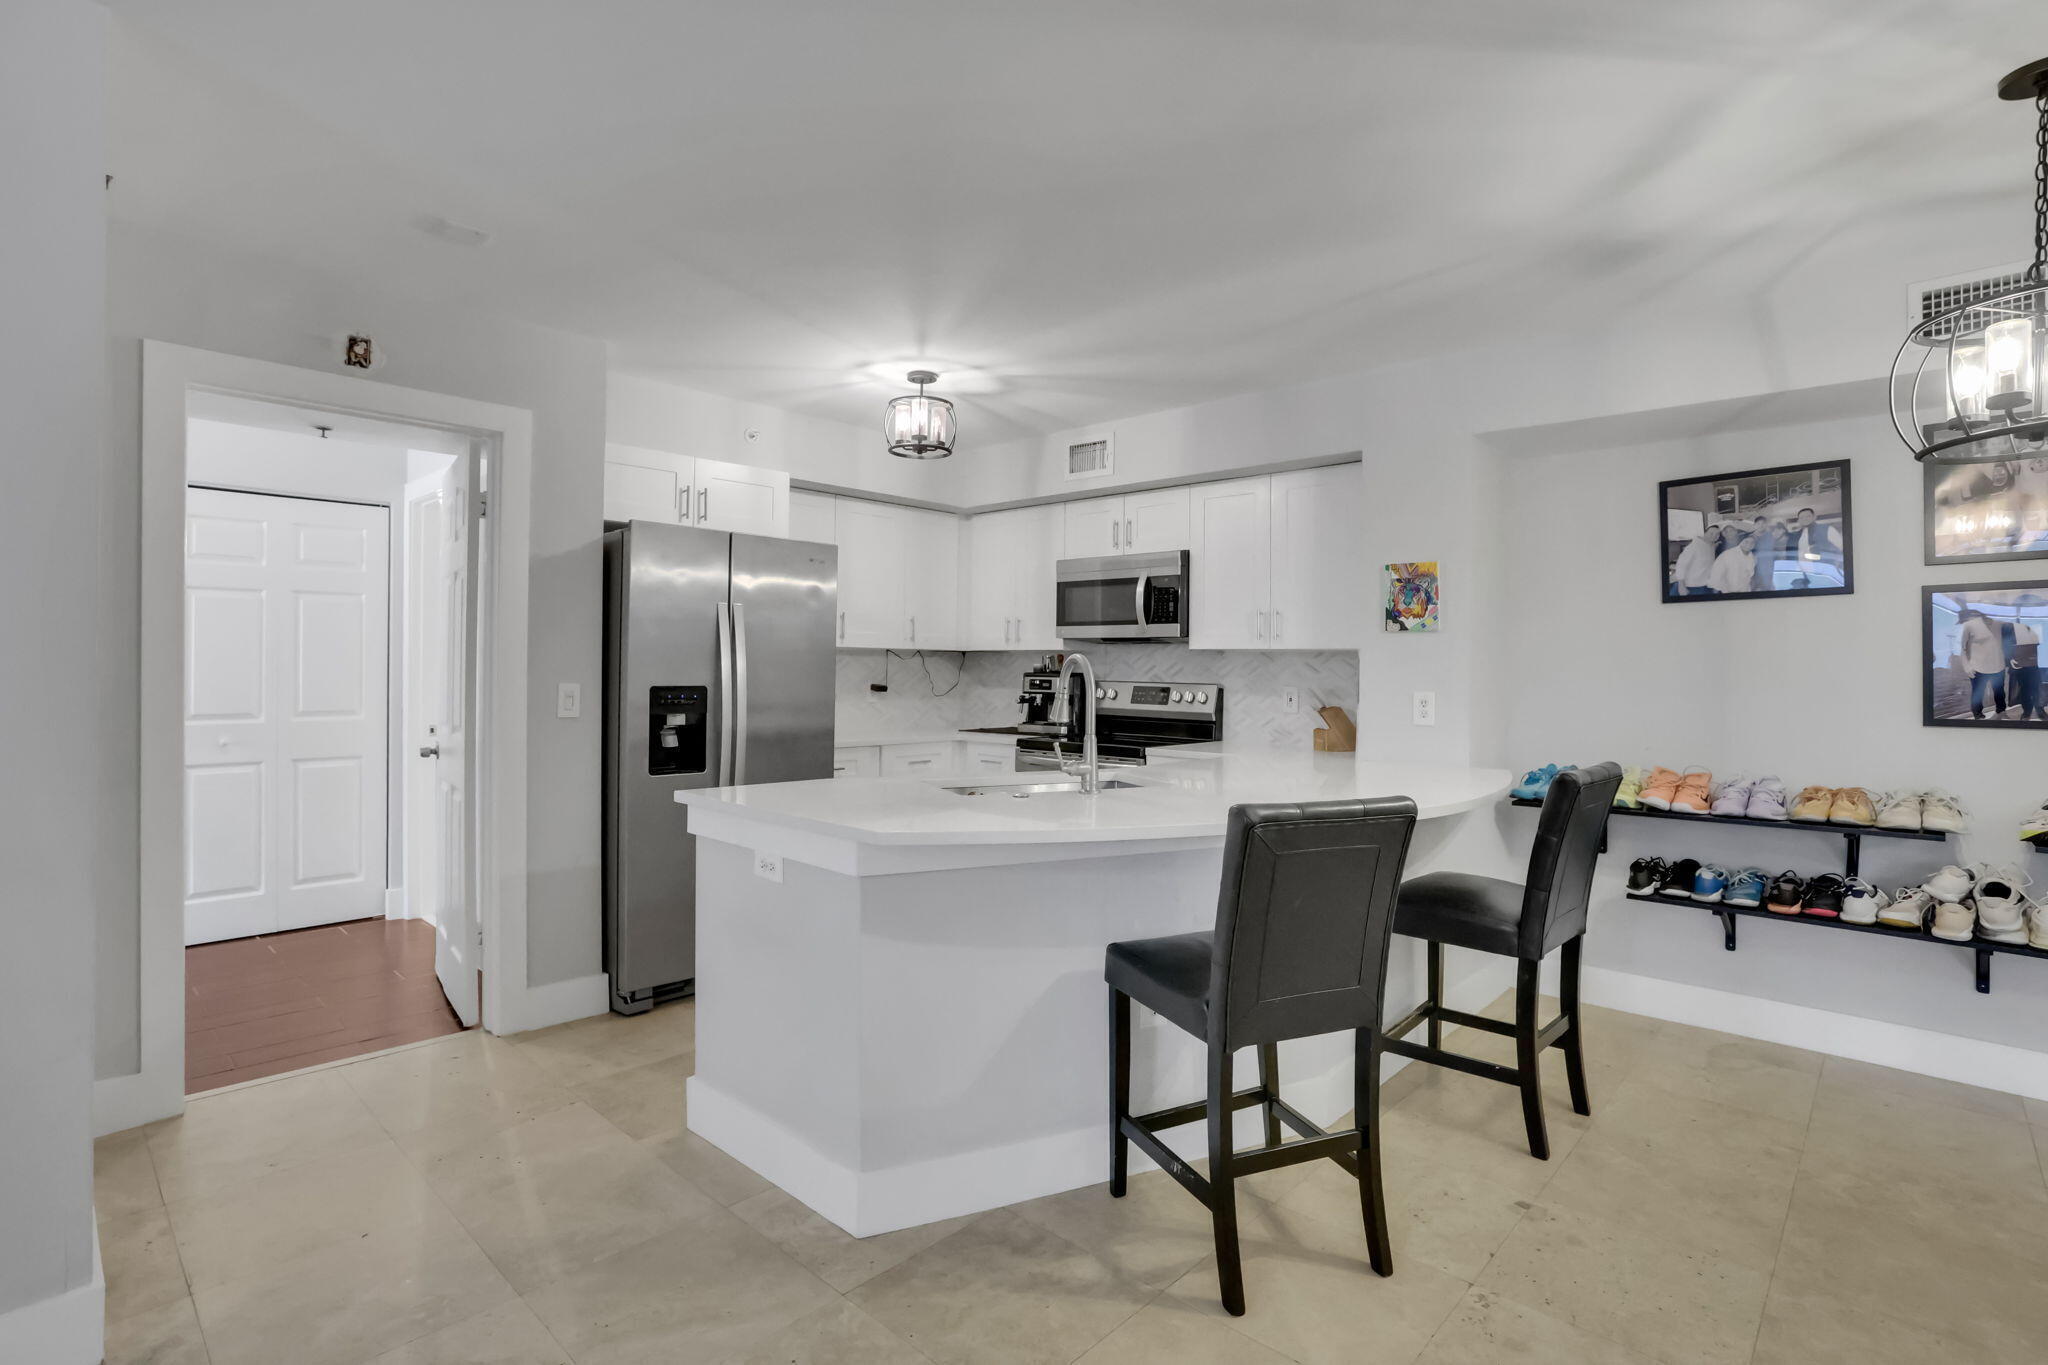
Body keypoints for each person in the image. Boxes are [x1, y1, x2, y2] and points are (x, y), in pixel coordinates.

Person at [1957, 608, 2008, 719]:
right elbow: (1963, 648)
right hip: (1978, 667)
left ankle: (2001, 711)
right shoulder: (1968, 625)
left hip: (1998, 666)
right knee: (1978, 693)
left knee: (1999, 692)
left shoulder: (1998, 624)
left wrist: (2007, 661)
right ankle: (1978, 716)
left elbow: (2006, 643)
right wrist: (1967, 667)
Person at [1673, 524, 1722, 596]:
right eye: (1711, 533)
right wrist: (1681, 586)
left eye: (1717, 534)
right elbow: (1681, 565)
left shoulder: (1710, 545)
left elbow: (1707, 553)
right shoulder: (1693, 546)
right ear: (1705, 533)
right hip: (1692, 586)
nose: (1714, 536)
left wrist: (1715, 546)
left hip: (1705, 584)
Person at [1748, 515, 1784, 592]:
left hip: (1768, 566)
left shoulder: (1771, 535)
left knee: (1768, 587)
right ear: (1754, 525)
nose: (1761, 525)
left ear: (1766, 525)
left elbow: (1777, 551)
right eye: (1758, 523)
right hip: (1754, 566)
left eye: (1763, 523)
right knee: (1754, 588)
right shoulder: (1749, 537)